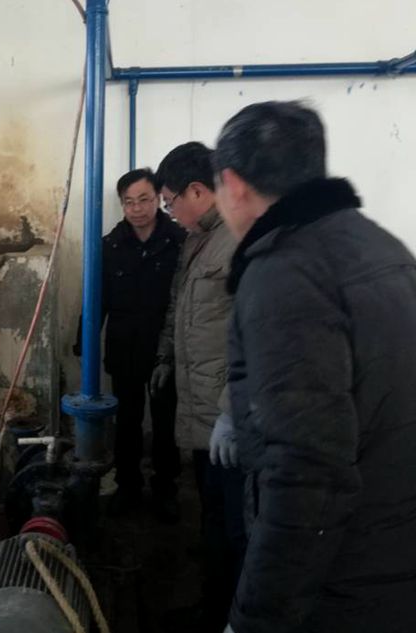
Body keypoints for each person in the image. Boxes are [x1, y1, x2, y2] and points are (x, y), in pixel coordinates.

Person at [213, 100, 416, 633]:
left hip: (342, 582)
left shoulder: (285, 272)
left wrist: (255, 617)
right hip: (395, 550)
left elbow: (305, 474)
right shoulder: (383, 248)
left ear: (233, 185)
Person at [153, 142, 245, 633]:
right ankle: (212, 604)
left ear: (196, 191)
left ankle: (230, 616)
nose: (170, 213)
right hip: (203, 410)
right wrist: (167, 357)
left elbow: (258, 336)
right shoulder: (198, 241)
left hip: (229, 418)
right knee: (212, 518)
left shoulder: (238, 241)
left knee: (236, 526)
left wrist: (232, 410)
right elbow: (182, 308)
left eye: (169, 202)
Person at [74, 168, 185, 518]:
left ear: (158, 199)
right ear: (122, 204)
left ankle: (165, 488)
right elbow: (97, 299)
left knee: (167, 421)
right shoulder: (110, 246)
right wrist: (84, 342)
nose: (137, 209)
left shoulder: (179, 241)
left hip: (166, 349)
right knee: (127, 420)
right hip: (124, 346)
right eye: (129, 202)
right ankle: (128, 486)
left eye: (144, 200)